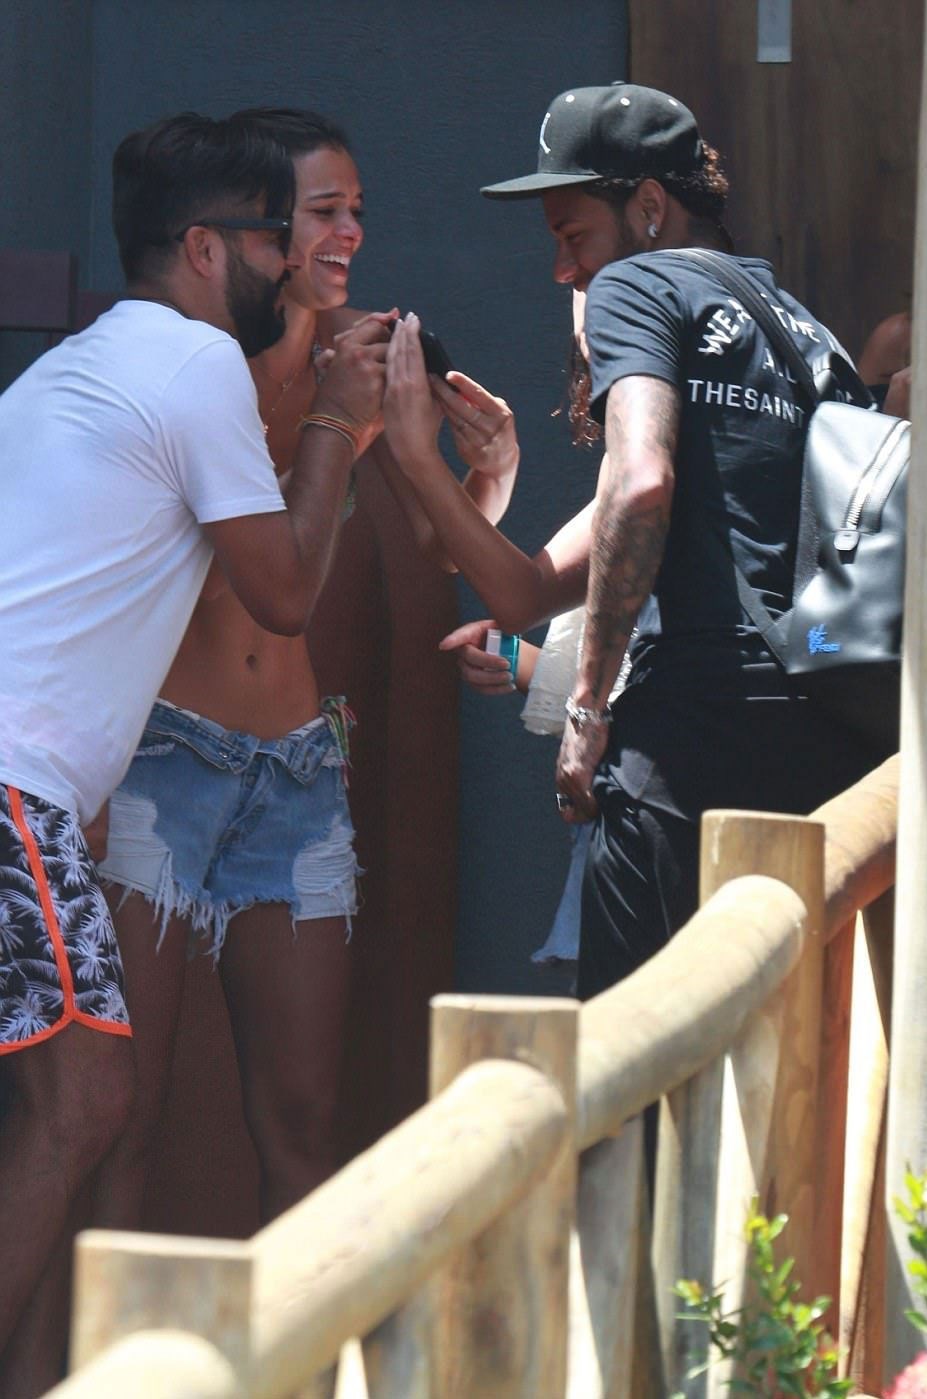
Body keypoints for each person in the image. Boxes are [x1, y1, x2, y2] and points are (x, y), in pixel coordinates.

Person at [0, 111, 388, 1396]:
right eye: (277, 237)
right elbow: (282, 590)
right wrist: (333, 423)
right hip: (14, 790)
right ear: (208, 250)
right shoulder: (194, 363)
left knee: (76, 1105)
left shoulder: (73, 367)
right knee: (84, 1105)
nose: (293, 261)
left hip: (41, 799)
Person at [93, 107, 521, 1240]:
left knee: (302, 1114)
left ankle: (304, 1335)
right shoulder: (199, 360)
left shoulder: (372, 354)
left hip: (296, 768)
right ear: (260, 227)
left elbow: (431, 548)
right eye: (323, 212)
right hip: (164, 754)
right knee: (125, 1109)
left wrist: (488, 477)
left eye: (356, 211)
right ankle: (110, 1334)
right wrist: (332, 431)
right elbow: (250, 571)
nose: (349, 235)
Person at [385, 82, 881, 1002]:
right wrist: (428, 462)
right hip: (831, 740)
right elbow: (523, 593)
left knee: (632, 1058)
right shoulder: (806, 332)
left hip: (689, 746)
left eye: (572, 236)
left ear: (649, 207)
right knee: (783, 1050)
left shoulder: (638, 284)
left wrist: (585, 712)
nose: (563, 271)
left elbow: (641, 480)